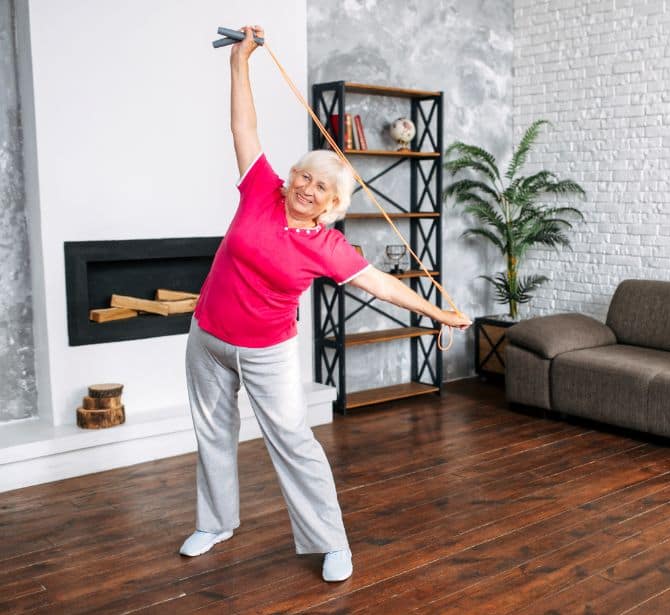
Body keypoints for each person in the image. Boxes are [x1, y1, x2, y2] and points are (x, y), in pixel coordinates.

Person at [179, 25, 470, 583]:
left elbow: (383, 285)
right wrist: (241, 63)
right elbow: (243, 125)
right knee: (212, 432)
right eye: (304, 176)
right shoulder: (260, 189)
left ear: (333, 205)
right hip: (208, 337)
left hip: (266, 350)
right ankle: (216, 523)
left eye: (320, 188)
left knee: (292, 440)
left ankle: (331, 542)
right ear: (291, 177)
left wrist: (437, 313)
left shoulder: (329, 247)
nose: (307, 188)